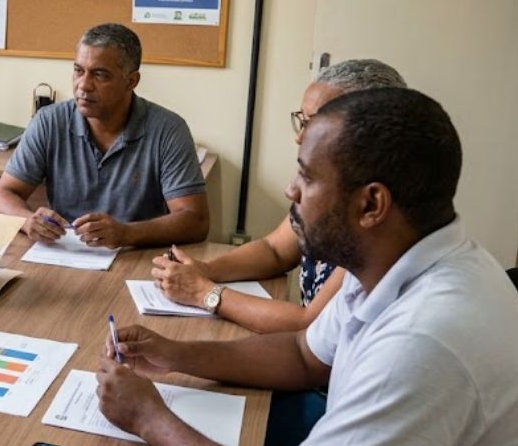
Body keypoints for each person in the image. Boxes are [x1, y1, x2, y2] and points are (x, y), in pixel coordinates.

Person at [97, 88, 518, 446]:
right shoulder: (391, 258)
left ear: (371, 204)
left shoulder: (421, 343)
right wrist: (174, 354)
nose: (290, 191)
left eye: (307, 175)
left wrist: (149, 418)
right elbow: (305, 356)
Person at [151, 59, 406, 333]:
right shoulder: (328, 181)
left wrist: (204, 293)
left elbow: (308, 325)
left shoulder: (374, 213)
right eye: (302, 120)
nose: (299, 137)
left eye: (314, 122)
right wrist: (206, 269)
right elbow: (275, 250)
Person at [0, 23, 208, 249]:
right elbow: (4, 193)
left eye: (100, 74)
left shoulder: (168, 130)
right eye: (78, 70)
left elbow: (196, 220)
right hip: (65, 254)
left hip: (138, 258)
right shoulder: (49, 121)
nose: (83, 85)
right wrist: (27, 221)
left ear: (131, 81)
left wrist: (126, 233)